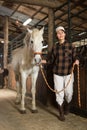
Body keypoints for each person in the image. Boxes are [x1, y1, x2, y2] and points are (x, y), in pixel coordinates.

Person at [42, 26, 79, 121]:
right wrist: (43, 61)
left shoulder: (71, 46)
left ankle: (67, 106)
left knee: (69, 93)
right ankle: (61, 113)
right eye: (58, 33)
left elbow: (75, 57)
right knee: (59, 93)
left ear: (65, 34)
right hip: (57, 73)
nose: (60, 34)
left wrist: (76, 61)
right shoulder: (55, 47)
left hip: (68, 73)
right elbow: (51, 60)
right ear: (57, 36)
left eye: (62, 32)